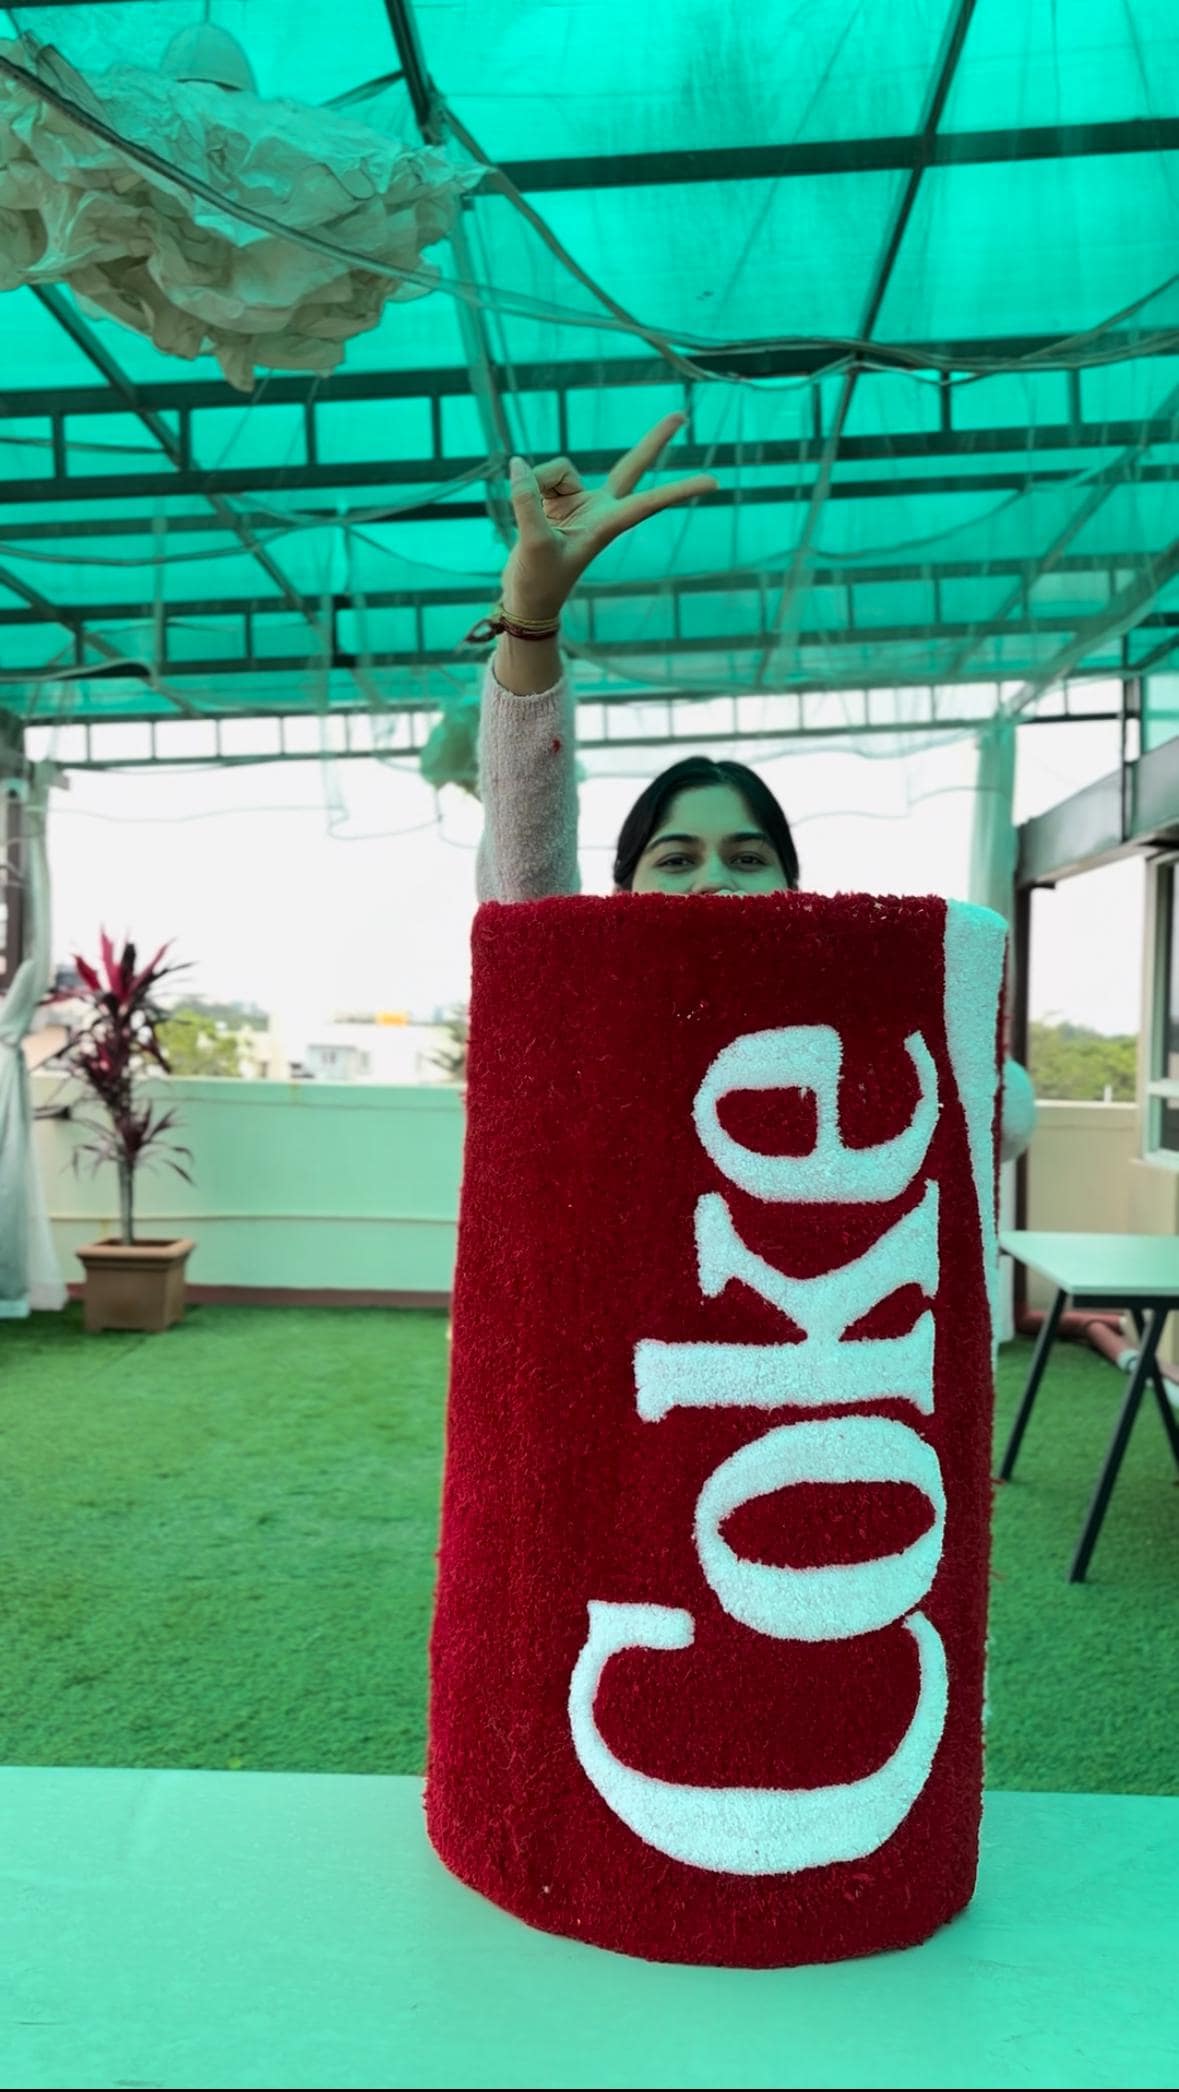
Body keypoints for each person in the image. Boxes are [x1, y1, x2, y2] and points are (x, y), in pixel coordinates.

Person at [468, 411, 1032, 1166]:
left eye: (745, 857)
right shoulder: (586, 1019)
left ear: (791, 888)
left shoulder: (843, 1033)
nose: (711, 879)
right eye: (673, 859)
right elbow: (524, 859)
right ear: (620, 894)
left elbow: (1004, 1120)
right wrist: (531, 619)